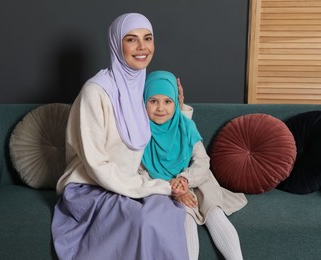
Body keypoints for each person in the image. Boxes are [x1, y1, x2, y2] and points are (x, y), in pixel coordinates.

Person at [51, 14, 190, 260]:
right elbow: (97, 165)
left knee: (170, 211)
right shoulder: (95, 91)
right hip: (90, 187)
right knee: (142, 220)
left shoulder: (141, 89)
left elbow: (164, 135)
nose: (142, 47)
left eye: (148, 39)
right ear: (116, 44)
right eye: (131, 40)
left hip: (128, 184)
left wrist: (181, 110)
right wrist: (157, 186)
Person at [140, 70, 248, 260]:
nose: (160, 108)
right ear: (143, 102)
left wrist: (184, 179)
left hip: (196, 180)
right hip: (165, 187)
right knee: (186, 216)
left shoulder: (185, 126)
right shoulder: (139, 133)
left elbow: (202, 161)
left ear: (176, 101)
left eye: (167, 101)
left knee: (214, 211)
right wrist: (172, 187)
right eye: (153, 101)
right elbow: (139, 172)